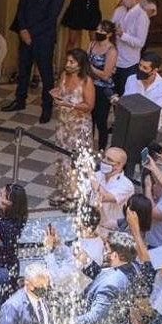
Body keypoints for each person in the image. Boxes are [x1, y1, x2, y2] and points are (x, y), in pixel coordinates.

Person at [2, 0, 65, 124]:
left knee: (46, 74)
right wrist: (23, 29)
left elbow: (51, 17)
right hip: (25, 35)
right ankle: (19, 100)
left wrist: (32, 33)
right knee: (23, 70)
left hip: (43, 38)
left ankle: (47, 107)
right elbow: (21, 7)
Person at [49, 48, 96, 211]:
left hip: (79, 127)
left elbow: (89, 106)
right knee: (61, 159)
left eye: (72, 62)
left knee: (75, 162)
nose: (68, 65)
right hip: (63, 124)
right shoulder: (64, 75)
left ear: (80, 64)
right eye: (67, 61)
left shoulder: (86, 81)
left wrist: (70, 104)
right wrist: (57, 96)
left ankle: (75, 195)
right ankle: (62, 191)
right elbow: (60, 92)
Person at [110, 0, 150, 96]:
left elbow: (140, 42)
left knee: (125, 97)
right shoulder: (119, 11)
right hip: (114, 61)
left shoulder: (142, 16)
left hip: (129, 64)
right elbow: (111, 28)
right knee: (112, 96)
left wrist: (123, 35)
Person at [118, 51, 162, 131]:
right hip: (129, 125)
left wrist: (133, 105)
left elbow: (154, 111)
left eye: (145, 68)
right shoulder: (131, 79)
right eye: (140, 65)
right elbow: (125, 103)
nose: (140, 69)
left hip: (149, 128)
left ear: (154, 70)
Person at [88, 20, 118, 149]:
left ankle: (101, 149)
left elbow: (106, 75)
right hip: (90, 85)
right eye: (98, 30)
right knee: (89, 120)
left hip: (103, 88)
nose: (98, 33)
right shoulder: (92, 44)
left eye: (102, 31)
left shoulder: (111, 50)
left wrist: (90, 68)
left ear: (109, 34)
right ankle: (87, 146)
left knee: (101, 121)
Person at [91, 147, 134, 233]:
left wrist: (90, 175)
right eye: (104, 157)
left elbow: (103, 197)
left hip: (110, 231)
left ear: (119, 165)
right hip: (91, 225)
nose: (104, 161)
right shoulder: (98, 175)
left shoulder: (126, 184)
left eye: (109, 160)